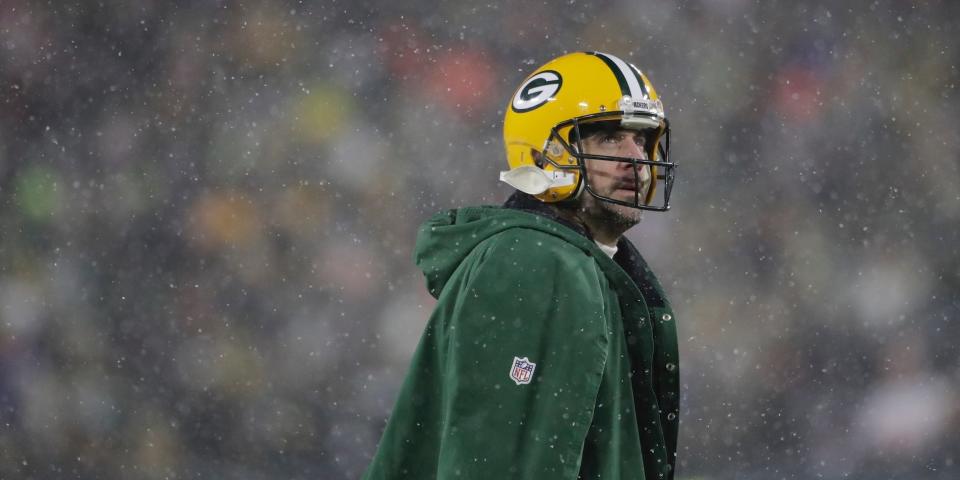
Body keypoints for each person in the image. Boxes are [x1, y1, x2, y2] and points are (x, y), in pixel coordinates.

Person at [364, 51, 679, 480]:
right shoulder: (537, 262)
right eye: (608, 138)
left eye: (641, 139)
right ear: (545, 152)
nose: (635, 157)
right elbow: (499, 461)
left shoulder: (570, 261)